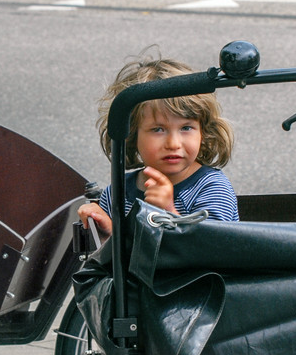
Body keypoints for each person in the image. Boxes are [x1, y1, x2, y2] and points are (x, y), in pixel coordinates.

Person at [78, 54, 239, 238]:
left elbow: (214, 252)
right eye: (158, 129)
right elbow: (118, 260)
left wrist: (168, 212)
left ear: (203, 132)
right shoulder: (117, 193)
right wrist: (107, 231)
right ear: (131, 134)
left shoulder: (212, 188)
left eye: (186, 128)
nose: (173, 144)